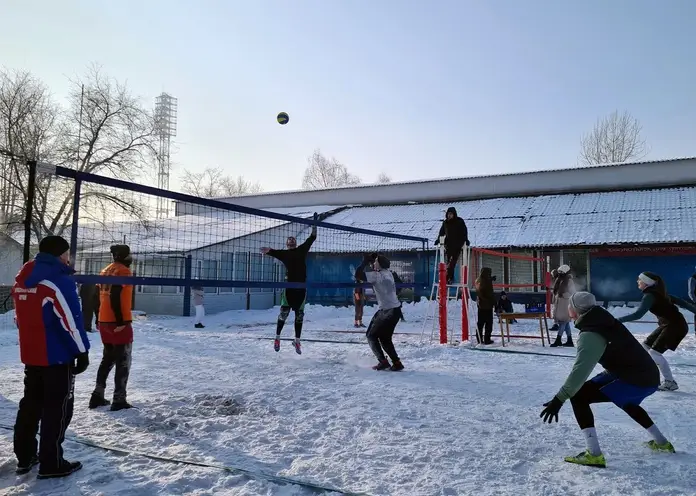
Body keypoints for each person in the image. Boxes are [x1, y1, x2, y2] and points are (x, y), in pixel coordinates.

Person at [540, 291, 674, 468]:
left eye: (570, 305)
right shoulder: (602, 319)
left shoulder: (591, 333)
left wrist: (559, 399)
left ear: (576, 309)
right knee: (627, 402)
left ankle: (594, 455)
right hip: (645, 375)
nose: (568, 308)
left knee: (579, 396)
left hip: (636, 379)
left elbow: (580, 371)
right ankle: (662, 443)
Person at [12, 235, 90, 479]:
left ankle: (25, 457)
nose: (69, 257)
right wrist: (82, 351)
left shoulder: (23, 277)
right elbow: (70, 322)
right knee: (57, 409)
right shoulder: (58, 280)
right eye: (67, 253)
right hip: (56, 356)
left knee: (30, 405)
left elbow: (19, 318)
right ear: (60, 254)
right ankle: (51, 462)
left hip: (31, 354)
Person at [618, 272, 688, 391]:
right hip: (669, 325)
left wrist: (618, 320)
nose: (637, 282)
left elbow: (638, 314)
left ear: (646, 283)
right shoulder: (659, 294)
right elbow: (685, 303)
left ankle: (670, 382)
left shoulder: (650, 296)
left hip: (675, 327)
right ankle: (646, 373)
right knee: (645, 346)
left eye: (639, 280)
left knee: (655, 353)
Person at [89, 244, 135, 411]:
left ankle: (97, 395)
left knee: (107, 358)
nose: (131, 257)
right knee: (123, 361)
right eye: (129, 254)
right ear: (124, 256)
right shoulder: (123, 271)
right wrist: (121, 321)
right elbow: (115, 295)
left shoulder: (105, 270)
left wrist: (97, 317)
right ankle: (119, 399)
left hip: (104, 320)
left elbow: (95, 297)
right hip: (118, 322)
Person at [261, 220, 317, 355]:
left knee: (299, 316)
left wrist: (314, 228)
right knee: (283, 315)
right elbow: (274, 252)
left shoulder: (301, 250)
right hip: (289, 289)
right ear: (287, 244)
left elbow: (312, 238)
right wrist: (268, 251)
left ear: (295, 243)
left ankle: (297, 341)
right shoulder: (284, 254)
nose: (291, 242)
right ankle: (277, 338)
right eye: (289, 241)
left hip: (301, 289)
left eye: (293, 241)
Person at [356, 253, 404, 371]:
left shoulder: (376, 276)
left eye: (375, 262)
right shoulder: (390, 273)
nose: (373, 263)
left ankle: (383, 362)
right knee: (385, 338)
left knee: (371, 336)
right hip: (395, 310)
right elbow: (400, 287)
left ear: (380, 265)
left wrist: (364, 262)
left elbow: (357, 274)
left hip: (387, 311)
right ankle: (396, 363)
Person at [434, 207, 469, 285]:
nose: (449, 216)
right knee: (449, 262)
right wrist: (438, 240)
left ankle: (448, 278)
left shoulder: (459, 221)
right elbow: (441, 232)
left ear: (454, 214)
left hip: (457, 245)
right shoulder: (445, 223)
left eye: (451, 214)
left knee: (452, 262)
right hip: (448, 245)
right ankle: (450, 278)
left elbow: (464, 231)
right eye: (448, 214)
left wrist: (466, 239)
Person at [551, 265, 575, 347]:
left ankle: (558, 339)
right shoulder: (559, 279)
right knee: (565, 323)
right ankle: (570, 340)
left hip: (565, 304)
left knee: (563, 322)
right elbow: (556, 291)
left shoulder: (569, 281)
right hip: (559, 303)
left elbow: (573, 292)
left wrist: (564, 295)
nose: (560, 273)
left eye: (561, 272)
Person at [475, 267, 495, 344]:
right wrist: (494, 302)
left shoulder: (478, 280)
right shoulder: (487, 282)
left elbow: (482, 288)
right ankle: (487, 339)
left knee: (480, 323)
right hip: (487, 306)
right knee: (488, 324)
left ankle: (479, 338)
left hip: (480, 305)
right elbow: (489, 293)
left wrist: (490, 279)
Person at [354, 263, 366, 328]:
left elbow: (363, 291)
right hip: (357, 298)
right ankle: (356, 323)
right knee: (357, 310)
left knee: (361, 311)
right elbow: (356, 292)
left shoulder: (362, 283)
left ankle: (360, 322)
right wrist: (358, 299)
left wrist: (363, 297)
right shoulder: (357, 283)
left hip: (361, 298)